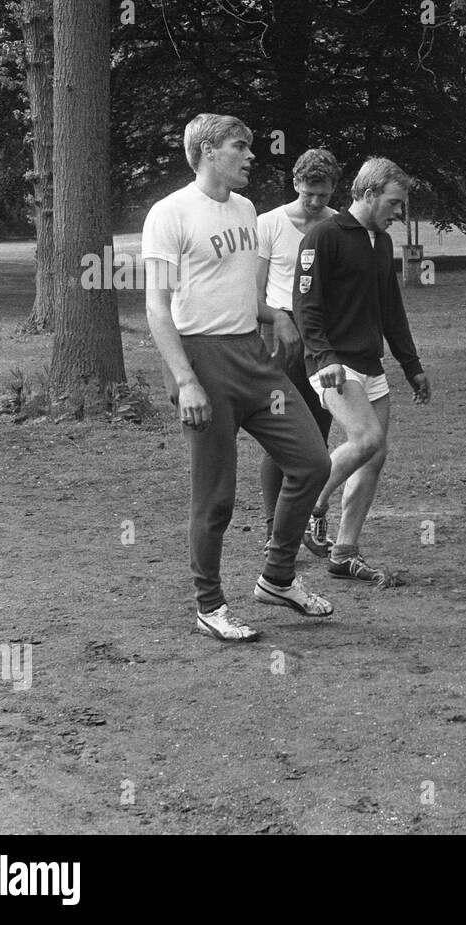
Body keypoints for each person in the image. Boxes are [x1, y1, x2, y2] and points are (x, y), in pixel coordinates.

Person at [143, 113, 334, 642]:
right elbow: (157, 308)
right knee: (216, 496)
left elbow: (243, 293)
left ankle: (276, 577)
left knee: (312, 460)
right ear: (207, 151)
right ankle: (209, 605)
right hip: (202, 361)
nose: (252, 155)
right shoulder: (169, 213)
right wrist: (185, 381)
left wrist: (279, 317)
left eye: (250, 145)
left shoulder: (247, 208)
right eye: (240, 146)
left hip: (253, 356)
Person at [294, 157, 431, 583]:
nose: (398, 211)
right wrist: (326, 356)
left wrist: (412, 366)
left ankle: (344, 551)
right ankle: (310, 506)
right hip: (331, 363)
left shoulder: (382, 243)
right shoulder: (324, 236)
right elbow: (306, 306)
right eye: (393, 202)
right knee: (366, 438)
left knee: (375, 454)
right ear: (369, 194)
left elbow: (392, 309)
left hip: (370, 365)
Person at [255, 148, 340, 557]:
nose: (315, 203)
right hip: (282, 340)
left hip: (323, 340)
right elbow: (250, 294)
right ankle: (276, 530)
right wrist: (277, 318)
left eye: (322, 195)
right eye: (309, 194)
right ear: (295, 185)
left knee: (317, 438)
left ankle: (308, 520)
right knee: (281, 437)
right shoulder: (269, 224)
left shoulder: (339, 225)